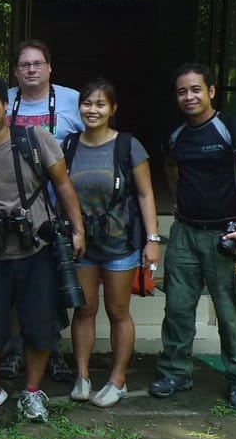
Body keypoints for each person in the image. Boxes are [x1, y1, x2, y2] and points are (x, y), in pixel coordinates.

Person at [0, 75, 85, 424]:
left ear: (5, 104)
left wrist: (78, 230)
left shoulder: (34, 139)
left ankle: (32, 392)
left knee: (40, 325)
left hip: (38, 250)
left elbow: (63, 185)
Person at [149, 63, 236, 411]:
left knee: (231, 314)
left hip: (226, 234)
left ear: (211, 91)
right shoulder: (176, 136)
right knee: (178, 309)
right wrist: (182, 204)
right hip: (184, 233)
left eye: (196, 89)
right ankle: (175, 372)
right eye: (182, 91)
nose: (189, 96)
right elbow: (172, 170)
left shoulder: (231, 129)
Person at [63, 79, 162, 408]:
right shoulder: (68, 145)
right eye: (87, 103)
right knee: (84, 309)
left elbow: (147, 194)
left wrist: (152, 239)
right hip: (82, 244)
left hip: (121, 242)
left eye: (100, 104)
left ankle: (118, 379)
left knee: (118, 311)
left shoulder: (128, 145)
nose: (93, 110)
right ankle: (82, 376)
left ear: (113, 109)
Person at [0, 40, 83, 384]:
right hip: (13, 213)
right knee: (18, 287)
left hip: (57, 209)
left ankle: (54, 351)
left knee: (53, 284)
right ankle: (15, 351)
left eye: (38, 63)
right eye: (24, 64)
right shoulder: (5, 101)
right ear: (16, 71)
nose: (31, 69)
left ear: (50, 67)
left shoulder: (73, 100)